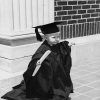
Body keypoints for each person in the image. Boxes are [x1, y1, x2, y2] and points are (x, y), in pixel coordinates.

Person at [1, 22, 74, 100]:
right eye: (54, 37)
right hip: (46, 76)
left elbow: (60, 47)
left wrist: (67, 45)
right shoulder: (43, 49)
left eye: (58, 36)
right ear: (45, 37)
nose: (57, 39)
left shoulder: (55, 44)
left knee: (59, 84)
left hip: (56, 74)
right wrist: (37, 63)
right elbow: (36, 60)